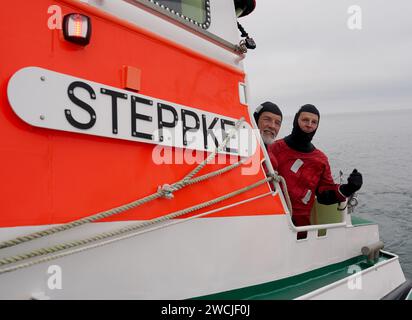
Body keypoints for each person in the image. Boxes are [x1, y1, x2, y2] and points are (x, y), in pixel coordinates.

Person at [268, 104, 363, 232]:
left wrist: (348, 188)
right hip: (271, 219)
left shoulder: (320, 159)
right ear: (296, 121)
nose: (309, 125)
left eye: (314, 122)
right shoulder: (274, 148)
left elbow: (324, 195)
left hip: (300, 228)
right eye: (305, 120)